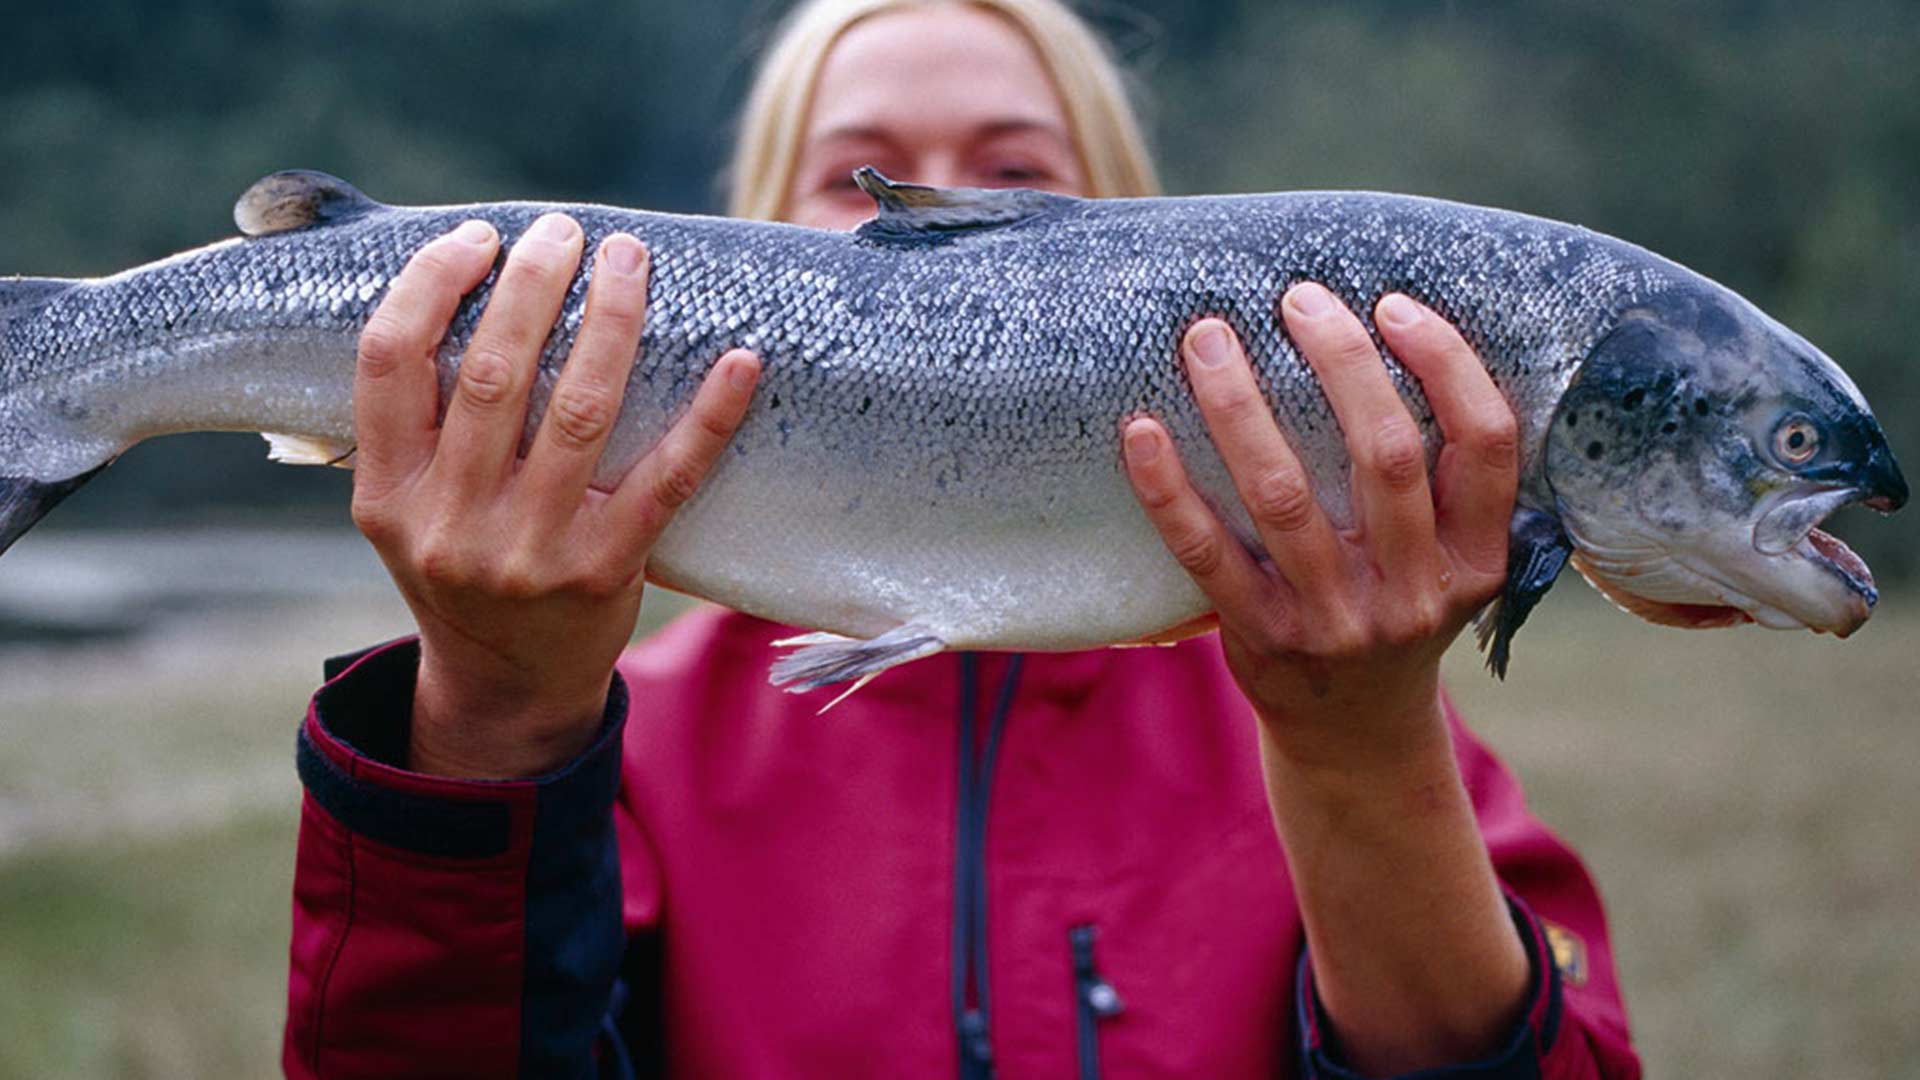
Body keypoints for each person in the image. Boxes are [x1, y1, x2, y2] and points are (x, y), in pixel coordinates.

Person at [283, 1, 1641, 1076]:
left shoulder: (1363, 725)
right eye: (858, 178)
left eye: (1012, 172)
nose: (929, 214)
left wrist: (1360, 755)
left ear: (1140, 240)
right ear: (742, 246)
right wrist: (492, 721)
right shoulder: (631, 746)